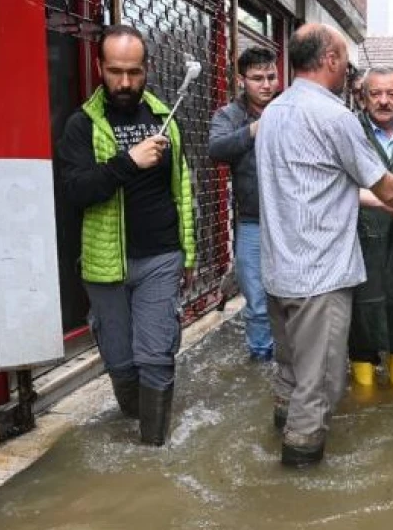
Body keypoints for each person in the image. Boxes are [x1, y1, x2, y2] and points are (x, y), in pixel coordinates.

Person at [256, 24, 393, 466]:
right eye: (345, 59)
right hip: (319, 277)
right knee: (321, 383)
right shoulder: (335, 116)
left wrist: (387, 205)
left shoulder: (273, 111)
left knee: (289, 374)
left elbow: (322, 184)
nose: (348, 69)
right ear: (329, 59)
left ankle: (279, 436)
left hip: (278, 272)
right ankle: (299, 476)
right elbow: (382, 185)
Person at [56, 25, 195, 446]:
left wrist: (187, 254)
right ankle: (136, 424)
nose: (125, 82)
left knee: (155, 357)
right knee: (120, 363)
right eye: (115, 71)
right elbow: (76, 191)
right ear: (100, 67)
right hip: (104, 263)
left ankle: (152, 453)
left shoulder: (164, 119)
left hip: (160, 256)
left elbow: (182, 191)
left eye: (134, 72)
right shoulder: (82, 125)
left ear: (146, 69)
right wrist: (129, 162)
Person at [207, 46, 278, 362]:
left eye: (271, 77)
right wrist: (253, 130)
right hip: (251, 221)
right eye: (257, 78)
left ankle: (289, 358)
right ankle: (262, 358)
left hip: (291, 221)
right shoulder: (229, 115)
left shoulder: (288, 108)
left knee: (294, 297)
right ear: (241, 80)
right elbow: (216, 149)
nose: (266, 84)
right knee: (257, 300)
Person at [348, 66, 393, 388]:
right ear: (363, 97)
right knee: (361, 319)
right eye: (375, 94)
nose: (384, 101)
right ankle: (364, 394)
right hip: (359, 241)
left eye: (392, 93)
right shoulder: (348, 132)